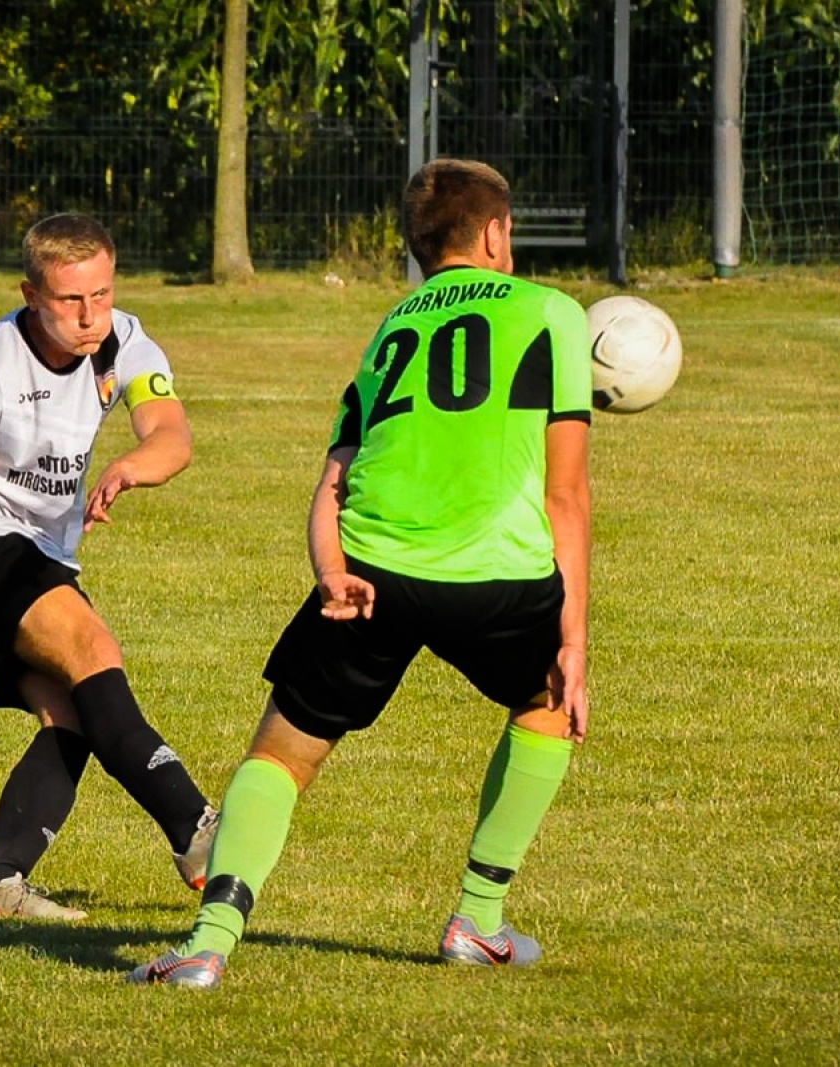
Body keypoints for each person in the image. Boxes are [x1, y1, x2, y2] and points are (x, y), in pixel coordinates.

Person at [130, 158, 592, 987]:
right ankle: (476, 921)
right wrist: (575, 635)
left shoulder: (390, 328)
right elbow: (566, 494)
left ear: (418, 248)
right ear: (495, 234)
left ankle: (207, 943)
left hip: (369, 569)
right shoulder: (552, 313)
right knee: (548, 704)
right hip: (498, 578)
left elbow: (335, 474)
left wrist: (330, 570)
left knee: (280, 755)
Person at [0, 212, 218, 922]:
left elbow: (172, 433)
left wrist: (136, 465)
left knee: (72, 715)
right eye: (70, 300)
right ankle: (197, 829)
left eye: (102, 294)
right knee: (92, 651)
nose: (90, 317)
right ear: (30, 293)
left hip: (43, 550)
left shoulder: (122, 341)